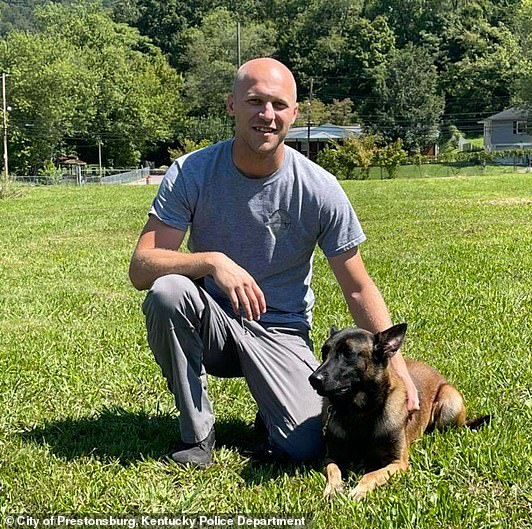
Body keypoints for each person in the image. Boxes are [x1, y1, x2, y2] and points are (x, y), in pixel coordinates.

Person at [128, 57, 420, 468]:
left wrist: (401, 373)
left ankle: (271, 412)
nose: (267, 115)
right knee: (168, 291)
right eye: (255, 102)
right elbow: (142, 266)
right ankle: (196, 434)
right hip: (212, 322)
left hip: (280, 330)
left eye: (279, 105)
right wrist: (212, 262)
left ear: (295, 113)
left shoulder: (319, 188)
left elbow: (357, 286)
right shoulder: (192, 172)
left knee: (305, 449)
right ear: (232, 105)